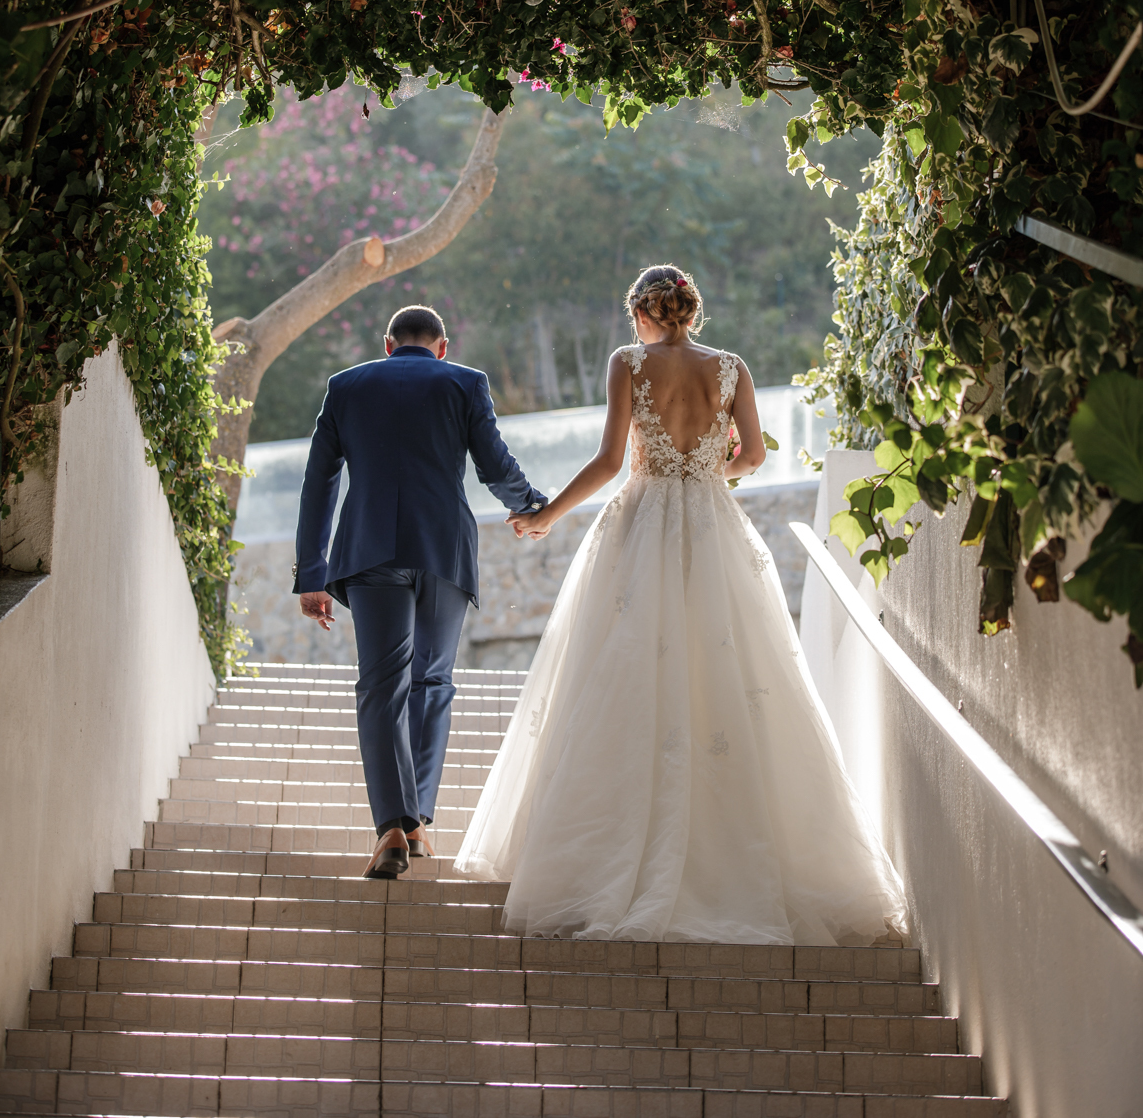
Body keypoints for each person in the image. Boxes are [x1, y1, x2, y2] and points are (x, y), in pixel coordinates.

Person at [455, 265, 908, 944]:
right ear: (691, 311)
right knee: (726, 674)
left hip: (641, 524)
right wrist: (703, 471)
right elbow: (751, 455)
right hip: (712, 525)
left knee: (619, 674)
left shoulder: (628, 362)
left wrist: (548, 513)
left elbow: (611, 462)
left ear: (640, 311)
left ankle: (604, 859)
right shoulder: (731, 367)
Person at [293, 304, 547, 878]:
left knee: (382, 686)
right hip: (443, 552)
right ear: (442, 345)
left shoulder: (345, 386)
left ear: (387, 345)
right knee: (432, 681)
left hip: (371, 551)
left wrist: (312, 573)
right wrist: (532, 507)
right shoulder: (465, 382)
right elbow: (493, 466)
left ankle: (391, 828)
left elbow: (320, 483)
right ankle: (418, 824)